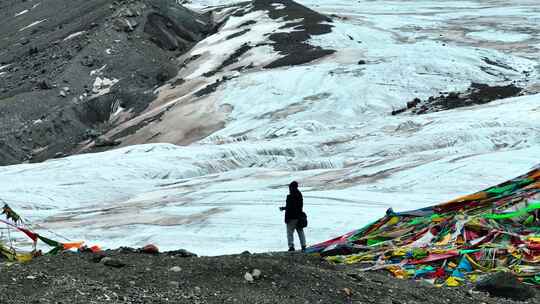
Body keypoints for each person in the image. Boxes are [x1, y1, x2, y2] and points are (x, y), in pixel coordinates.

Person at [279, 181, 306, 252]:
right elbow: (295, 206)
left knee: (290, 233)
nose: (289, 189)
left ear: (291, 187)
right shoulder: (299, 195)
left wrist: (285, 210)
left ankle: (291, 247)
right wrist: (285, 208)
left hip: (291, 217)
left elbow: (290, 207)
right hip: (299, 216)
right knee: (300, 231)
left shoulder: (290, 196)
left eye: (290, 187)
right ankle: (303, 246)